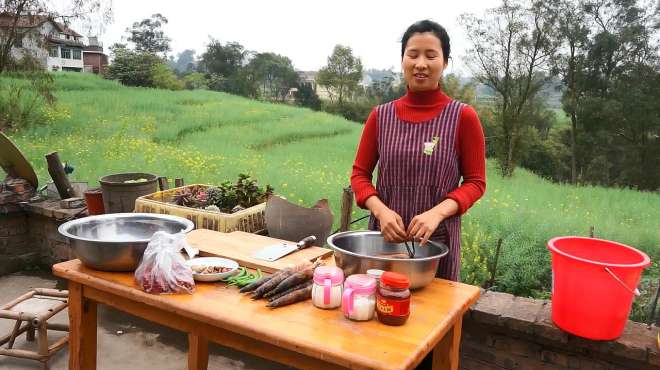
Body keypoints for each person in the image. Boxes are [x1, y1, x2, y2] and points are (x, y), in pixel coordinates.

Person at [350, 19, 486, 281]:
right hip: (384, 243)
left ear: (445, 62)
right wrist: (381, 211)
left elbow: (476, 182)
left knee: (435, 317)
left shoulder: (463, 117)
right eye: (413, 54)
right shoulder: (381, 116)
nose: (421, 63)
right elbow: (359, 175)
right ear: (403, 60)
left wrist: (438, 212)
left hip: (437, 247)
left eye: (431, 55)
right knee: (382, 309)